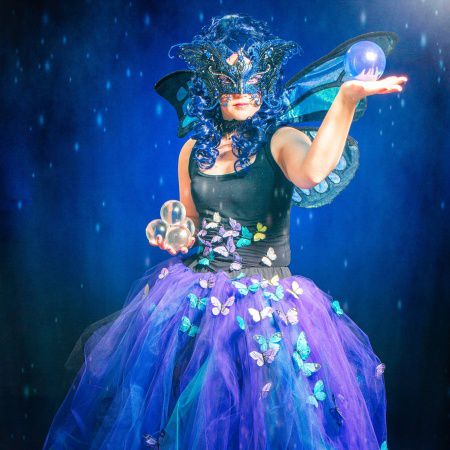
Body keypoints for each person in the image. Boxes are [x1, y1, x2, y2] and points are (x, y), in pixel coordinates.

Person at [43, 14, 407, 450]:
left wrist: (345, 100)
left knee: (263, 419)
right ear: (210, 85)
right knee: (191, 419)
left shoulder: (282, 138)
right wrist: (176, 236)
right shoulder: (192, 150)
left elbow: (312, 173)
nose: (240, 90)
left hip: (265, 306)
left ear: (265, 82)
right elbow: (192, 224)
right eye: (227, 79)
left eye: (250, 77)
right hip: (195, 300)